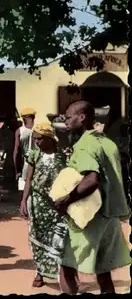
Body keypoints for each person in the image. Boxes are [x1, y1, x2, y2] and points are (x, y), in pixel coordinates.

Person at [55, 101, 131, 294]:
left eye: (69, 116)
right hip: (110, 215)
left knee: (66, 266)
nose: (65, 120)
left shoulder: (84, 144)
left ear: (82, 117)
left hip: (91, 217)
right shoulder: (106, 141)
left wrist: (67, 199)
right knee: (103, 272)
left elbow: (92, 180)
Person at [19, 122, 68, 287]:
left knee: (60, 239)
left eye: (40, 139)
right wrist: (24, 200)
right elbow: (29, 180)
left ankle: (62, 275)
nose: (37, 142)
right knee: (38, 238)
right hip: (39, 204)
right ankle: (39, 273)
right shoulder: (33, 155)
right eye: (35, 139)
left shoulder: (62, 155)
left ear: (49, 138)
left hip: (58, 205)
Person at [14, 107, 36, 191]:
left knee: (24, 186)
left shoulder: (20, 131)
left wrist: (16, 170)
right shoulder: (38, 129)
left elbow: (16, 152)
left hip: (26, 162)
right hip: (36, 161)